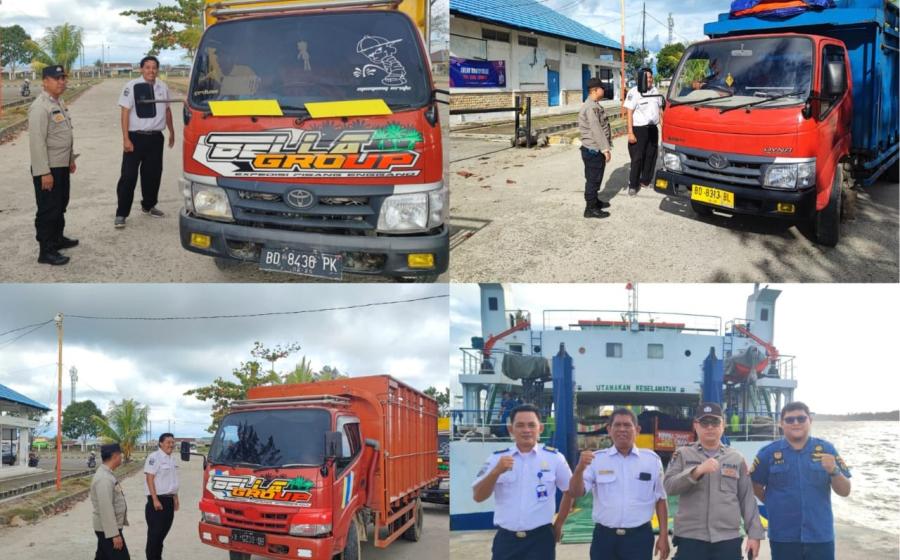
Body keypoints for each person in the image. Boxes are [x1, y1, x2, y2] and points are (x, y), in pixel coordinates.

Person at [472, 404, 574, 560]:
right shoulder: (496, 459)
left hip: (541, 540)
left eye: (531, 425)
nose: (526, 430)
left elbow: (570, 491)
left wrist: (559, 524)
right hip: (506, 541)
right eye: (520, 425)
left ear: (540, 428)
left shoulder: (554, 458)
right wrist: (496, 472)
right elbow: (478, 496)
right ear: (510, 429)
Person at [751, 402, 851, 560]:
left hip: (820, 536)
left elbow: (845, 491)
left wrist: (834, 471)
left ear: (810, 420)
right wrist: (773, 503)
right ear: (781, 423)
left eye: (801, 418)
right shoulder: (767, 454)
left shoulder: (827, 449)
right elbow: (754, 486)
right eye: (789, 420)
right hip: (783, 537)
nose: (796, 423)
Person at [664, 402, 764, 559]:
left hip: (727, 539)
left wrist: (754, 535)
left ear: (723, 425)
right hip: (691, 538)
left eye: (715, 422)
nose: (710, 427)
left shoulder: (736, 458)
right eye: (704, 422)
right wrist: (697, 471)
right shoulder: (682, 455)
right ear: (696, 426)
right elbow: (669, 486)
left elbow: (747, 499)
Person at [567, 407, 670, 560]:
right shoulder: (596, 459)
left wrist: (663, 536)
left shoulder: (651, 460)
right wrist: (579, 470)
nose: (622, 429)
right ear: (609, 429)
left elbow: (661, 499)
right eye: (617, 425)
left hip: (639, 538)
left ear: (637, 430)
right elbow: (575, 493)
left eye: (627, 425)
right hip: (604, 539)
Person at [114, 55, 174, 228]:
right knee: (128, 176)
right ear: (141, 69)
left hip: (156, 138)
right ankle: (121, 213)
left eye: (154, 67)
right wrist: (126, 138)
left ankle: (149, 205)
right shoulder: (131, 86)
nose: (151, 71)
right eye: (147, 67)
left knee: (153, 175)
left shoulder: (163, 87)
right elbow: (125, 112)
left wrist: (172, 131)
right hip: (136, 137)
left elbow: (168, 110)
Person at [28, 64, 78, 265]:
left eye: (63, 78)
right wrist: (43, 172)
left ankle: (57, 239)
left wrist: (71, 159)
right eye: (56, 79)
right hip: (48, 168)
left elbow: (65, 134)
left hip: (61, 165)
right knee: (48, 209)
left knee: (60, 205)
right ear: (45, 82)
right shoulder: (40, 106)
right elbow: (37, 142)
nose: (61, 82)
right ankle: (46, 251)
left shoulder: (58, 102)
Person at [624, 68, 663, 196]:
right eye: (646, 78)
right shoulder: (634, 92)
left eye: (651, 77)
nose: (649, 80)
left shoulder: (655, 91)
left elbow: (660, 111)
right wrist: (630, 132)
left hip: (652, 129)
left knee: (651, 156)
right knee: (637, 158)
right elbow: (629, 112)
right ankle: (633, 184)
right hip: (639, 129)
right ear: (641, 79)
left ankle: (645, 181)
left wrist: (664, 128)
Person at [577, 78, 613, 219]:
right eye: (602, 88)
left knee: (595, 179)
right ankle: (590, 209)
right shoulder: (591, 107)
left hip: (592, 149)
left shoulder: (593, 105)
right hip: (594, 150)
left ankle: (594, 201)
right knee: (593, 180)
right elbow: (596, 129)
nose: (604, 90)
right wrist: (605, 149)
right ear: (594, 90)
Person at [91, 443, 130, 560]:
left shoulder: (107, 474)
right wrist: (115, 534)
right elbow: (106, 508)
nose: (121, 458)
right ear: (115, 456)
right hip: (108, 530)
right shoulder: (104, 478)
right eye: (120, 456)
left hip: (107, 529)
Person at [144, 432, 180, 560]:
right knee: (155, 535)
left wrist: (175, 498)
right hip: (158, 501)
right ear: (161, 443)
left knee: (161, 535)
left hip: (169, 500)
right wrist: (154, 499)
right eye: (168, 442)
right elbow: (149, 478)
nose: (171, 445)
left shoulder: (172, 459)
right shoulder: (154, 457)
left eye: (172, 442)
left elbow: (173, 480)